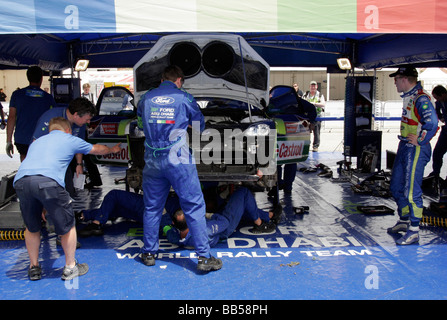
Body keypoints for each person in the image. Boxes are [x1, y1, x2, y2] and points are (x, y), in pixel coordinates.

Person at [13, 117, 121, 281]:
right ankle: (71, 267)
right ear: (68, 130)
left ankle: (34, 267)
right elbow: (97, 149)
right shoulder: (69, 139)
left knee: (32, 227)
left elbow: (36, 176)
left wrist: (42, 204)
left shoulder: (37, 142)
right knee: (68, 226)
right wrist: (113, 149)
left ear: (51, 130)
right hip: (48, 182)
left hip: (22, 182)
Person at [137, 65, 222, 272]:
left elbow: (140, 123)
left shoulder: (146, 98)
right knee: (193, 206)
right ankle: (203, 257)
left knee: (152, 207)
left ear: (161, 80)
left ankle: (149, 252)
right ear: (179, 81)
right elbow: (199, 125)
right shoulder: (184, 98)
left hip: (153, 159)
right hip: (178, 159)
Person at [387, 65, 438, 245]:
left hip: (415, 148)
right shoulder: (410, 97)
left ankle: (414, 230)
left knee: (411, 189)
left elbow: (432, 123)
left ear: (404, 79)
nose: (394, 82)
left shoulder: (420, 98)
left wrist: (421, 139)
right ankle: (404, 219)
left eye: (396, 79)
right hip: (405, 145)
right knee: (396, 185)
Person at [164, 187, 282, 248]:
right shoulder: (206, 230)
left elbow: (166, 226)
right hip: (224, 227)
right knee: (243, 193)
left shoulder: (174, 236)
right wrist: (206, 214)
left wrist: (163, 213)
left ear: (174, 224)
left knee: (234, 206)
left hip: (213, 222)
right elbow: (224, 222)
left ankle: (269, 215)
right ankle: (260, 223)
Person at [32, 97, 97, 197]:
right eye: (87, 119)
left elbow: (79, 144)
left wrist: (79, 164)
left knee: (68, 192)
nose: (88, 122)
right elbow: (35, 143)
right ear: (76, 115)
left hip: (64, 162)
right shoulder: (51, 118)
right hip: (45, 164)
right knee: (47, 195)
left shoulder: (80, 124)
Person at [6, 66, 57, 161]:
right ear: (41, 78)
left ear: (28, 77)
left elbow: (11, 117)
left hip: (22, 138)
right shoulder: (48, 97)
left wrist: (8, 141)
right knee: (39, 161)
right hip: (41, 137)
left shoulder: (17, 95)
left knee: (24, 159)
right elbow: (55, 119)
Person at [428, 85, 447, 184]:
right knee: (437, 153)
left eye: (438, 97)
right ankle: (435, 173)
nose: (437, 100)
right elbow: (435, 108)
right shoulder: (440, 102)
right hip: (446, 131)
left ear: (443, 94)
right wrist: (440, 117)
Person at [303, 80, 325, 152]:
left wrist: (314, 104)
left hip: (317, 117)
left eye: (314, 86)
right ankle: (305, 146)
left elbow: (323, 104)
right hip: (307, 117)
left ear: (316, 87)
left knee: (316, 133)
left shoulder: (320, 95)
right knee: (305, 132)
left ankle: (315, 146)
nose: (313, 87)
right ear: (309, 87)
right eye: (311, 86)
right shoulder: (305, 95)